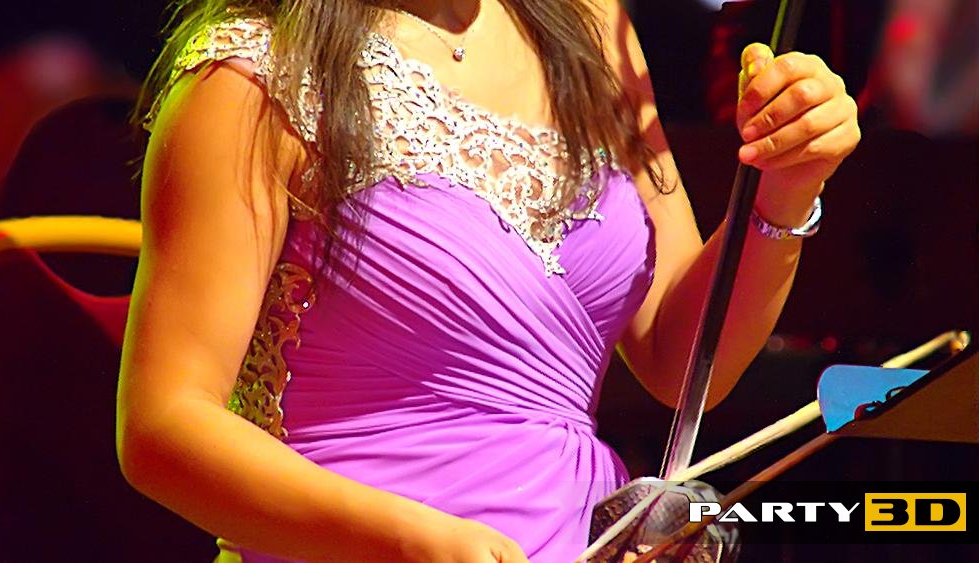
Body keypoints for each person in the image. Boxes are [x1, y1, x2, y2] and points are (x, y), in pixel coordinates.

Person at [115, 1, 860, 561]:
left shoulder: (591, 27)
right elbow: (164, 426)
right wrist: (412, 541)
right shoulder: (253, 74)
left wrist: (787, 188)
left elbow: (681, 358)